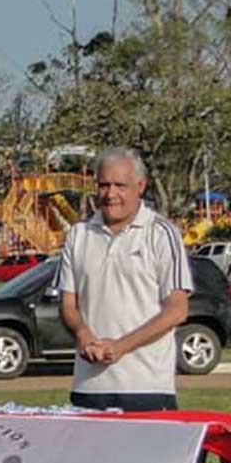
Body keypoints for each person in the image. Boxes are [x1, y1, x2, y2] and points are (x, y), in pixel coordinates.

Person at [56, 147, 192, 411]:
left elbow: (177, 310)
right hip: (88, 388)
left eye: (120, 185)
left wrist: (121, 347)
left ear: (140, 186)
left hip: (146, 388)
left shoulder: (162, 234)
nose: (111, 194)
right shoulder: (78, 235)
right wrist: (83, 334)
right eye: (104, 185)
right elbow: (68, 305)